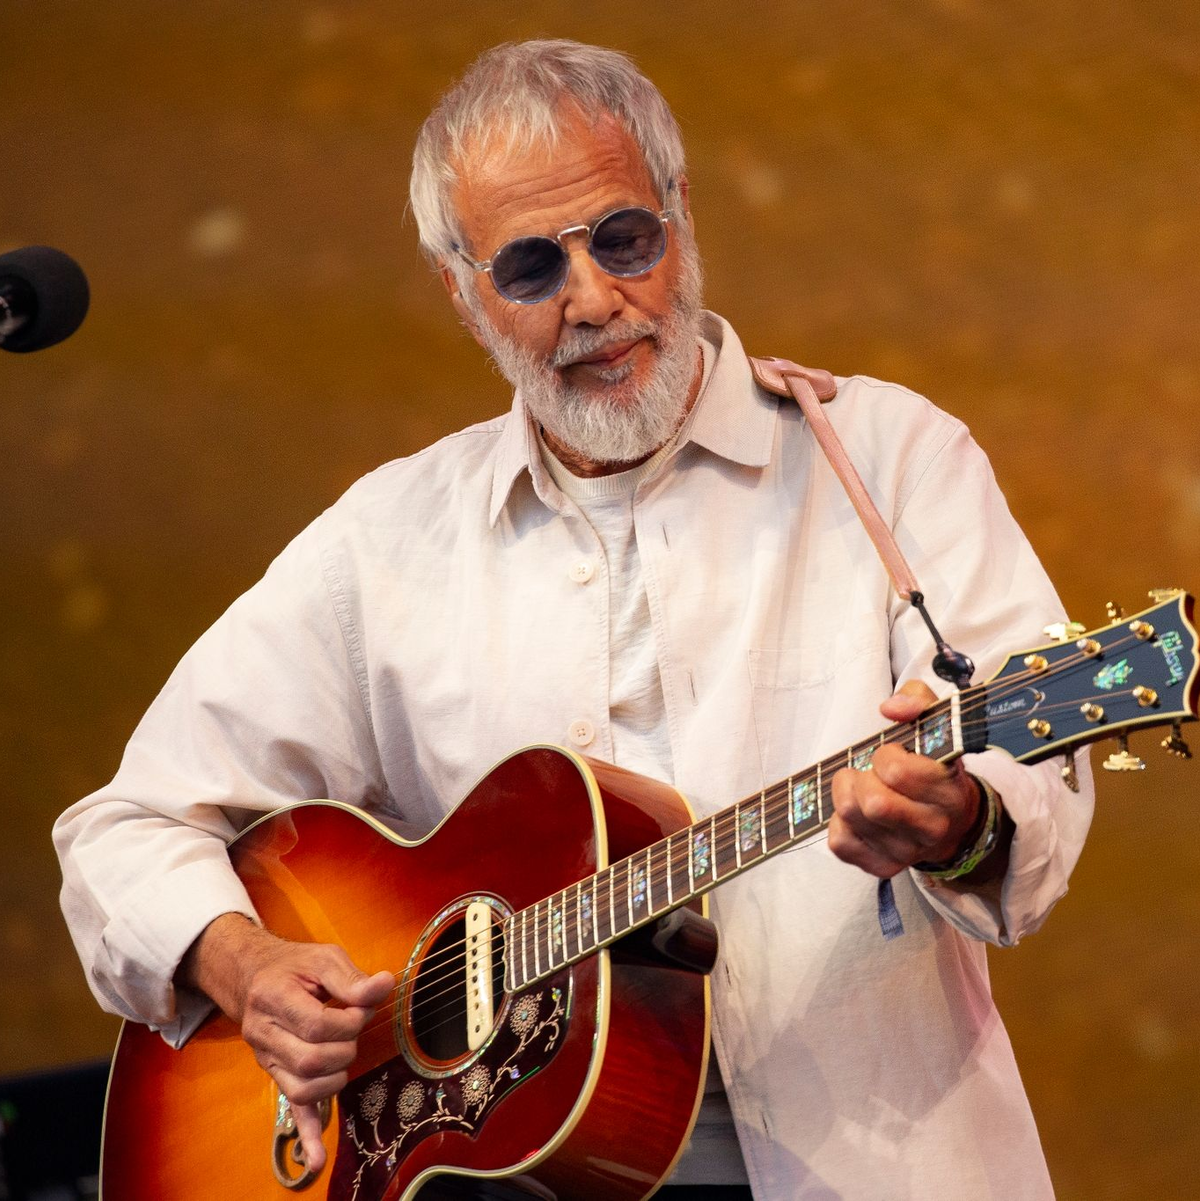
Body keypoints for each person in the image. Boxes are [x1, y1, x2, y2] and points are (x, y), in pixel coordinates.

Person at [54, 39, 1093, 1200]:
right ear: (462, 293)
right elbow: (123, 829)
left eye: (624, 239)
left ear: (682, 218)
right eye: (531, 267)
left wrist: (961, 821)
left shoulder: (892, 461)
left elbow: (1036, 779)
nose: (594, 299)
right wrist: (243, 966)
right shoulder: (386, 542)